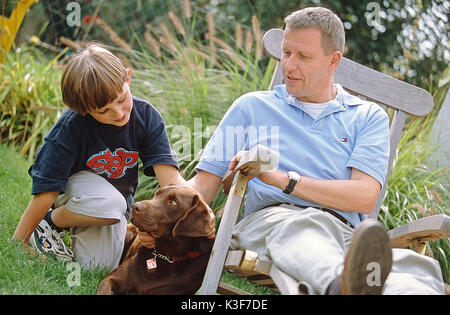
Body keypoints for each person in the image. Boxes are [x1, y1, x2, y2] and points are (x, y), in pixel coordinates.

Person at [139, 7, 446, 294]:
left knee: (415, 267)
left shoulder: (367, 117)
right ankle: (341, 285)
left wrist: (284, 180)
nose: (289, 65)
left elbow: (364, 195)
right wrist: (158, 196)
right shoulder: (251, 108)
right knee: (304, 228)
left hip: (347, 236)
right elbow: (202, 187)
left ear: (333, 60)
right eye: (286, 52)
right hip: (275, 222)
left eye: (303, 56)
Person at [13, 44, 185, 271]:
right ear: (84, 110)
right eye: (103, 111)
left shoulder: (147, 118)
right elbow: (47, 191)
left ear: (128, 78)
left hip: (113, 212)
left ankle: (74, 234)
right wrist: (19, 241)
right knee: (111, 203)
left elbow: (171, 183)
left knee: (97, 268)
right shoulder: (71, 127)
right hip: (77, 198)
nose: (119, 113)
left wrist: (166, 224)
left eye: (121, 98)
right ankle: (50, 223)